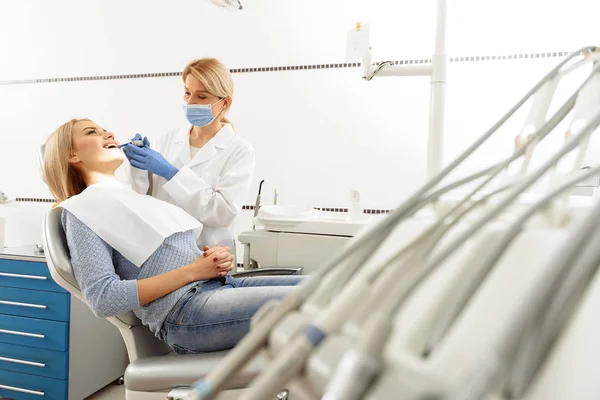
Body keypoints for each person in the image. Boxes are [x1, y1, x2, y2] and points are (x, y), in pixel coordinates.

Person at [43, 119, 302, 353]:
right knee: (319, 302)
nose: (108, 133)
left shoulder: (131, 198)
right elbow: (103, 298)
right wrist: (194, 271)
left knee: (327, 286)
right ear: (72, 154)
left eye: (105, 129)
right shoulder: (81, 211)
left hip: (219, 287)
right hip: (186, 313)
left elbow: (163, 259)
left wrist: (211, 259)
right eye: (92, 132)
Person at [122, 58, 254, 257]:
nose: (191, 102)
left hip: (208, 254)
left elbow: (222, 213)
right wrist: (138, 167)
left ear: (224, 102)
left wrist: (172, 173)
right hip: (163, 252)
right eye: (187, 93)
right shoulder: (168, 139)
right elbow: (141, 199)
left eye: (201, 97)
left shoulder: (239, 150)